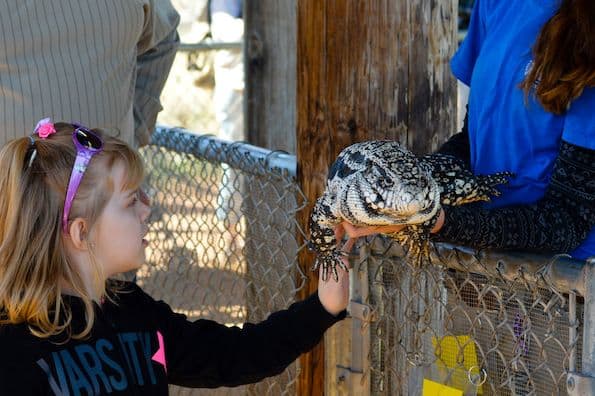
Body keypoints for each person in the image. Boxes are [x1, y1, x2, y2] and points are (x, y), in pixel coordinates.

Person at [0, 119, 350, 394]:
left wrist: (323, 307)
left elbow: (234, 355)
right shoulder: (14, 346)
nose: (147, 209)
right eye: (130, 201)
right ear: (81, 233)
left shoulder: (134, 312)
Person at [338, 0, 595, 260]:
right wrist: (402, 186)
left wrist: (438, 221)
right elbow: (472, 144)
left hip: (564, 286)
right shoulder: (495, 4)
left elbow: (568, 220)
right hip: (479, 269)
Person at [0, 1, 180, 148]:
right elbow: (165, 35)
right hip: (18, 182)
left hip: (109, 179)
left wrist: (135, 130)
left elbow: (164, 37)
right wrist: (135, 130)